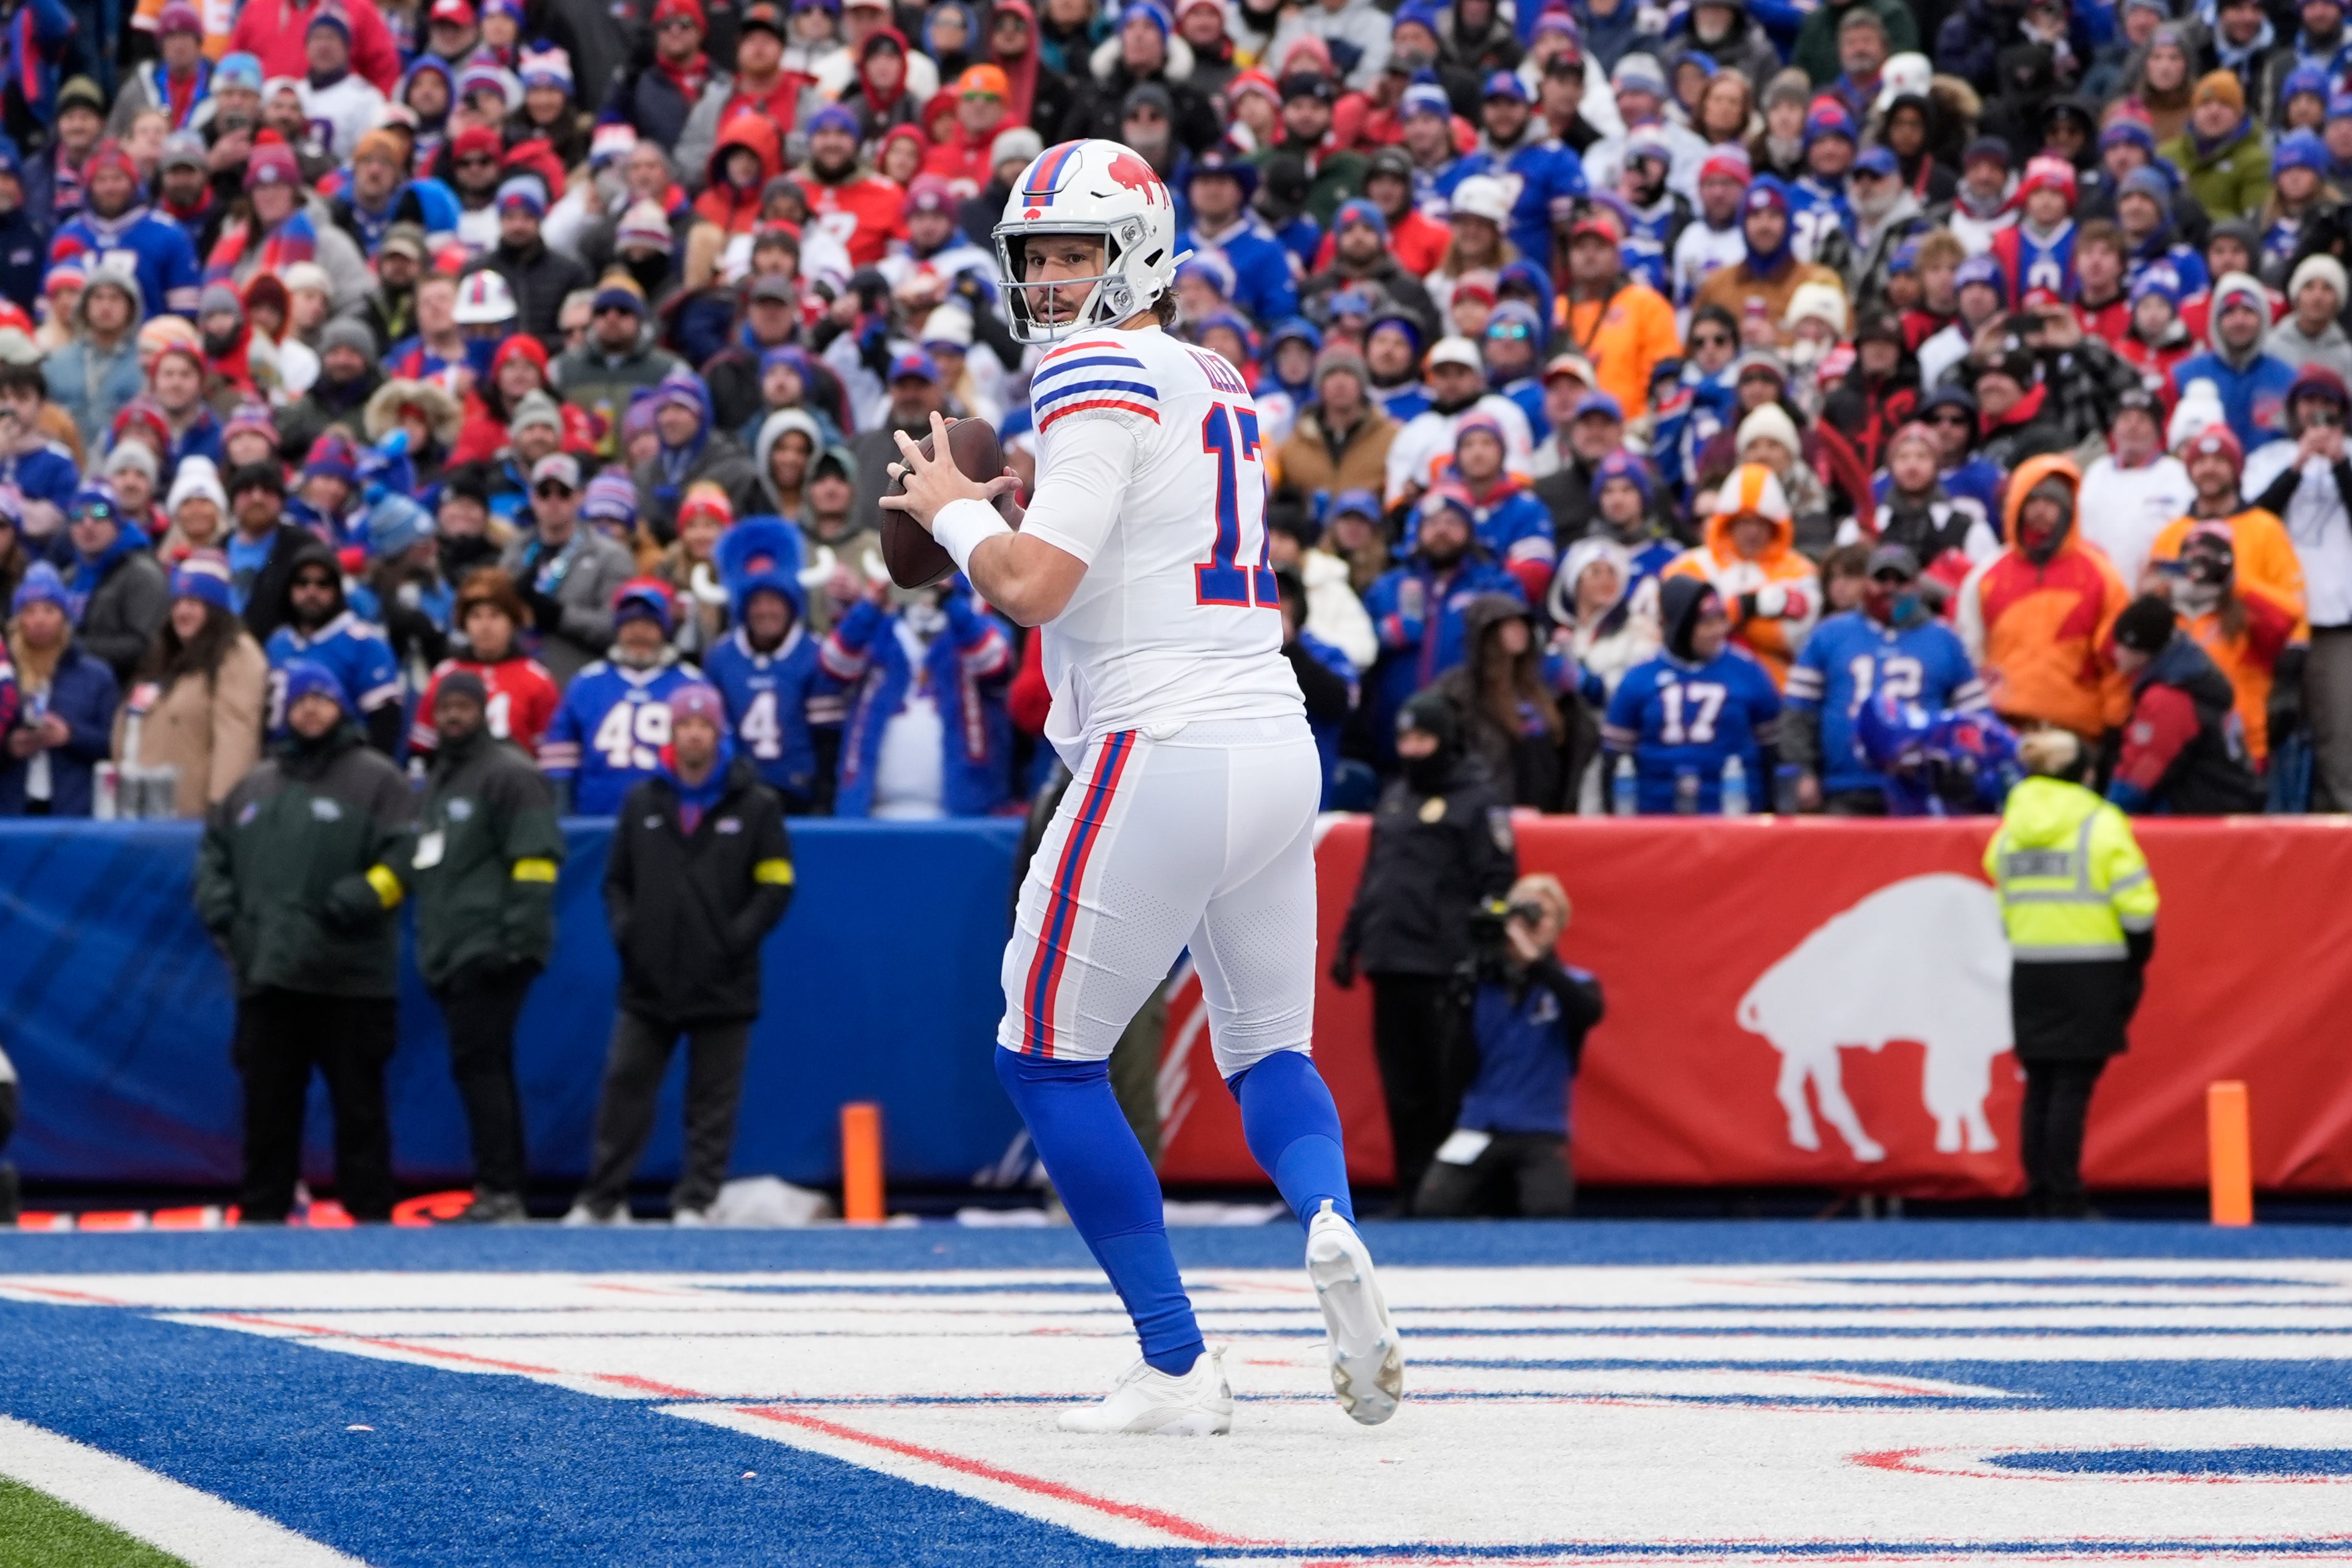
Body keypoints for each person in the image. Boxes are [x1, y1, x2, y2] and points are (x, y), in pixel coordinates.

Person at [881, 138, 1402, 1435]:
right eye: (1038, 258)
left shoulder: (1094, 368)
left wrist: (953, 508)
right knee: (1267, 1043)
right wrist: (1012, 498)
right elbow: (1121, 553)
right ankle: (1331, 1222)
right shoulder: (1214, 374)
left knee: (1044, 1058)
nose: (1053, 282)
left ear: (1141, 255)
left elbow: (1037, 587)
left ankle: (1175, 1360)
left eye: (1077, 254)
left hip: (1164, 743)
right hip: (1274, 741)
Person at [194, 659, 414, 1224]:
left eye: (321, 699)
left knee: (360, 1110)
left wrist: (365, 895)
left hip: (350, 976)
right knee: (268, 1110)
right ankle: (263, 1220)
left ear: (340, 706)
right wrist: (228, 919)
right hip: (268, 973)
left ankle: (372, 1222)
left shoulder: (378, 779)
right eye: (299, 700)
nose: (310, 709)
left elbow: (408, 859)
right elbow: (212, 861)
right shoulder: (255, 785)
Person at [567, 683, 792, 1226]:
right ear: (671, 733)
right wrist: (630, 935)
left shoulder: (757, 804)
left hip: (725, 981)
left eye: (703, 725)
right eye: (684, 725)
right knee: (624, 1092)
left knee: (711, 1104)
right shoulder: (642, 800)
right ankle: (602, 1201)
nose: (693, 733)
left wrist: (732, 942)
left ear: (718, 733)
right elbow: (616, 881)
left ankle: (696, 1200)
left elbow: (776, 885)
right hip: (648, 981)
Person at [1330, 690, 1518, 1210]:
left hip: (1443, 965)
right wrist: (1351, 942)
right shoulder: (1394, 794)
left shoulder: (1476, 798)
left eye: (1423, 738)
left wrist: (1479, 952)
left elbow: (1498, 879)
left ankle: (1452, 1195)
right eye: (1406, 739)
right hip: (1390, 960)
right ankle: (1411, 1190)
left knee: (1447, 1087)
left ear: (1445, 741)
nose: (1413, 750)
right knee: (1402, 1089)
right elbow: (1375, 877)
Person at [406, 669, 566, 1225]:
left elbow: (537, 858)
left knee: (482, 1064)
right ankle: (498, 1187)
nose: (452, 715)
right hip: (454, 946)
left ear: (483, 711)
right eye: (443, 706)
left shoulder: (508, 773)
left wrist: (516, 939)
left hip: (491, 944)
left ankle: (501, 1190)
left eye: (462, 706)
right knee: (480, 1065)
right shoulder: (443, 778)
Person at [1984, 727, 2158, 1217]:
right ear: (2084, 774)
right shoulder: (2100, 823)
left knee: (2039, 1083)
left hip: (2031, 967)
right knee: (2072, 1086)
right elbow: (2138, 908)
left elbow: (2000, 882)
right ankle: (2065, 1195)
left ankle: (2038, 1191)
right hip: (2092, 967)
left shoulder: (2011, 829)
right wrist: (2137, 955)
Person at [1411, 874, 1602, 1220]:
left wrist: (1536, 962)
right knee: (1433, 1207)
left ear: (1560, 926)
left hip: (1540, 1128)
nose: (1529, 924)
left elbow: (1589, 1012)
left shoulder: (1576, 984)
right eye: (1522, 912)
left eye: (1541, 915)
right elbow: (1452, 1062)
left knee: (1549, 1212)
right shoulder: (1479, 985)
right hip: (1480, 1124)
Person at [1783, 545, 1986, 815]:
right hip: (1846, 786)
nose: (1890, 588)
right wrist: (1803, 771)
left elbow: (1976, 718)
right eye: (1881, 579)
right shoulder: (1830, 634)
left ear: (1916, 586)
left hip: (1922, 787)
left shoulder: (1945, 639)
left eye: (1900, 580)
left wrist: (1960, 772)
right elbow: (1798, 712)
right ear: (1867, 583)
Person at [1604, 575, 1783, 814]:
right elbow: (1615, 758)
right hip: (1656, 812)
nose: (1718, 631)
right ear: (1679, 626)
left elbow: (1772, 750)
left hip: (1734, 809)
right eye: (1705, 624)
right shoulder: (1640, 677)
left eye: (1721, 620)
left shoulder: (1747, 671)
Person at [114, 553, 270, 818]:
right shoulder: (164, 653)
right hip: (141, 807)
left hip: (193, 814)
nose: (182, 612)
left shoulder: (235, 653)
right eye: (178, 602)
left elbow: (237, 736)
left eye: (194, 602)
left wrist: (222, 807)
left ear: (216, 609)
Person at [539, 579, 705, 813]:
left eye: (648, 625)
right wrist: (562, 811)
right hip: (597, 820)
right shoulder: (586, 683)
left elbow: (715, 756)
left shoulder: (693, 684)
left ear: (664, 630)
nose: (638, 634)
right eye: (630, 625)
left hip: (670, 824)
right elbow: (560, 754)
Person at [2106, 594, 2268, 813]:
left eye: (2121, 645)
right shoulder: (2191, 679)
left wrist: (2107, 814)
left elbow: (2141, 775)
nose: (2114, 653)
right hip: (2224, 809)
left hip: (2202, 819)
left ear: (2141, 650)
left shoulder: (2168, 698)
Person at [499, 453, 639, 686]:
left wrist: (558, 615)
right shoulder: (516, 550)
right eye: (545, 493)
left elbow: (618, 627)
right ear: (533, 498)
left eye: (563, 493)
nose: (553, 501)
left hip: (579, 681)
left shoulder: (611, 556)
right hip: (520, 680)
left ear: (580, 497)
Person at [0, 564, 117, 817]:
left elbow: (113, 745)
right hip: (11, 810)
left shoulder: (95, 675)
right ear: (18, 620)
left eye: (50, 610)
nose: (40, 620)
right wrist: (9, 748)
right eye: (30, 611)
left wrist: (69, 736)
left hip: (73, 810)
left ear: (64, 617)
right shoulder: (5, 674)